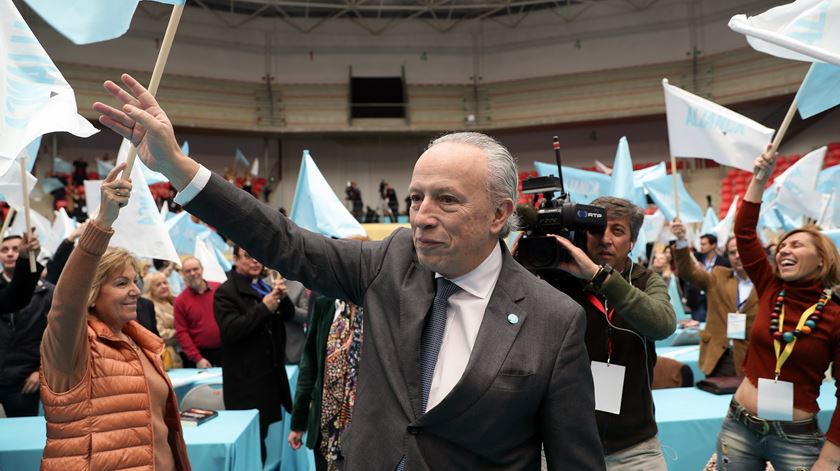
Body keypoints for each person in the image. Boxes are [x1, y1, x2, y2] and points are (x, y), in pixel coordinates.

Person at [94, 74, 604, 470]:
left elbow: (574, 460)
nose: (422, 214)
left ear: (500, 214)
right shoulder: (391, 260)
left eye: (447, 199)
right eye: (416, 197)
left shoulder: (553, 320)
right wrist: (179, 167)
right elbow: (284, 240)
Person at [39, 163, 190, 470]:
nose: (135, 291)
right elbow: (66, 306)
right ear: (92, 293)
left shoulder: (141, 343)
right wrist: (102, 223)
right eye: (121, 283)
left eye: (135, 282)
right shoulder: (74, 346)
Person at [713, 146, 840, 470]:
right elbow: (743, 233)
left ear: (822, 258)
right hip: (739, 426)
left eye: (796, 244)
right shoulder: (771, 286)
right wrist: (759, 179)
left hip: (796, 439)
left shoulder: (836, 314)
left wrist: (829, 458)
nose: (784, 248)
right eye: (781, 245)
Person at [543, 196, 676, 470]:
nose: (605, 239)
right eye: (596, 229)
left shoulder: (645, 280)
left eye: (617, 231)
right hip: (563, 443)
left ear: (632, 241)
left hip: (635, 449)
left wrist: (598, 276)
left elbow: (662, 324)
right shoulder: (556, 277)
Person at [214, 246, 295, 462]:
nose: (255, 261)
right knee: (251, 445)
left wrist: (282, 298)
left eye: (258, 256)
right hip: (245, 383)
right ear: (235, 259)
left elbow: (289, 316)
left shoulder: (262, 286)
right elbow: (231, 330)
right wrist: (264, 308)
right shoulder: (226, 292)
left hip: (267, 379)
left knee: (262, 439)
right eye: (248, 255)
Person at [289, 296, 365, 471]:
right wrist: (298, 423)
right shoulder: (326, 304)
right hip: (326, 428)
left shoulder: (376, 304)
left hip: (364, 427)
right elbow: (309, 366)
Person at [671, 221, 757, 378]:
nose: (737, 256)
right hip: (719, 358)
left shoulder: (766, 283)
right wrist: (682, 240)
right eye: (732, 252)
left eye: (742, 250)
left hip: (753, 360)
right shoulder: (719, 276)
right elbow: (688, 271)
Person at [0, 234, 51, 417]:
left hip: (23, 379)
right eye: (4, 250)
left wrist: (25, 259)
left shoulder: (47, 292)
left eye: (14, 249)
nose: (9, 254)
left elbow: (15, 298)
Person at [173, 257, 222, 368]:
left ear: (202, 269)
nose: (192, 273)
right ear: (182, 274)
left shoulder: (219, 289)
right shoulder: (180, 301)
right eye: (188, 271)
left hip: (226, 350)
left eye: (195, 269)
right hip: (201, 357)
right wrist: (197, 358)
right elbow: (182, 333)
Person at [684, 233, 730, 322]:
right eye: (700, 244)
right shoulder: (695, 258)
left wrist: (706, 273)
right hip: (697, 301)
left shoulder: (724, 262)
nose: (701, 246)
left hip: (715, 301)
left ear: (713, 245)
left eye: (704, 244)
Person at [143, 271, 183, 369]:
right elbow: (160, 334)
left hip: (184, 351)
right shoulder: (150, 307)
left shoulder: (175, 301)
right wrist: (182, 332)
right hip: (168, 355)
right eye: (158, 285)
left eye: (165, 283)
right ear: (150, 289)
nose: (163, 286)